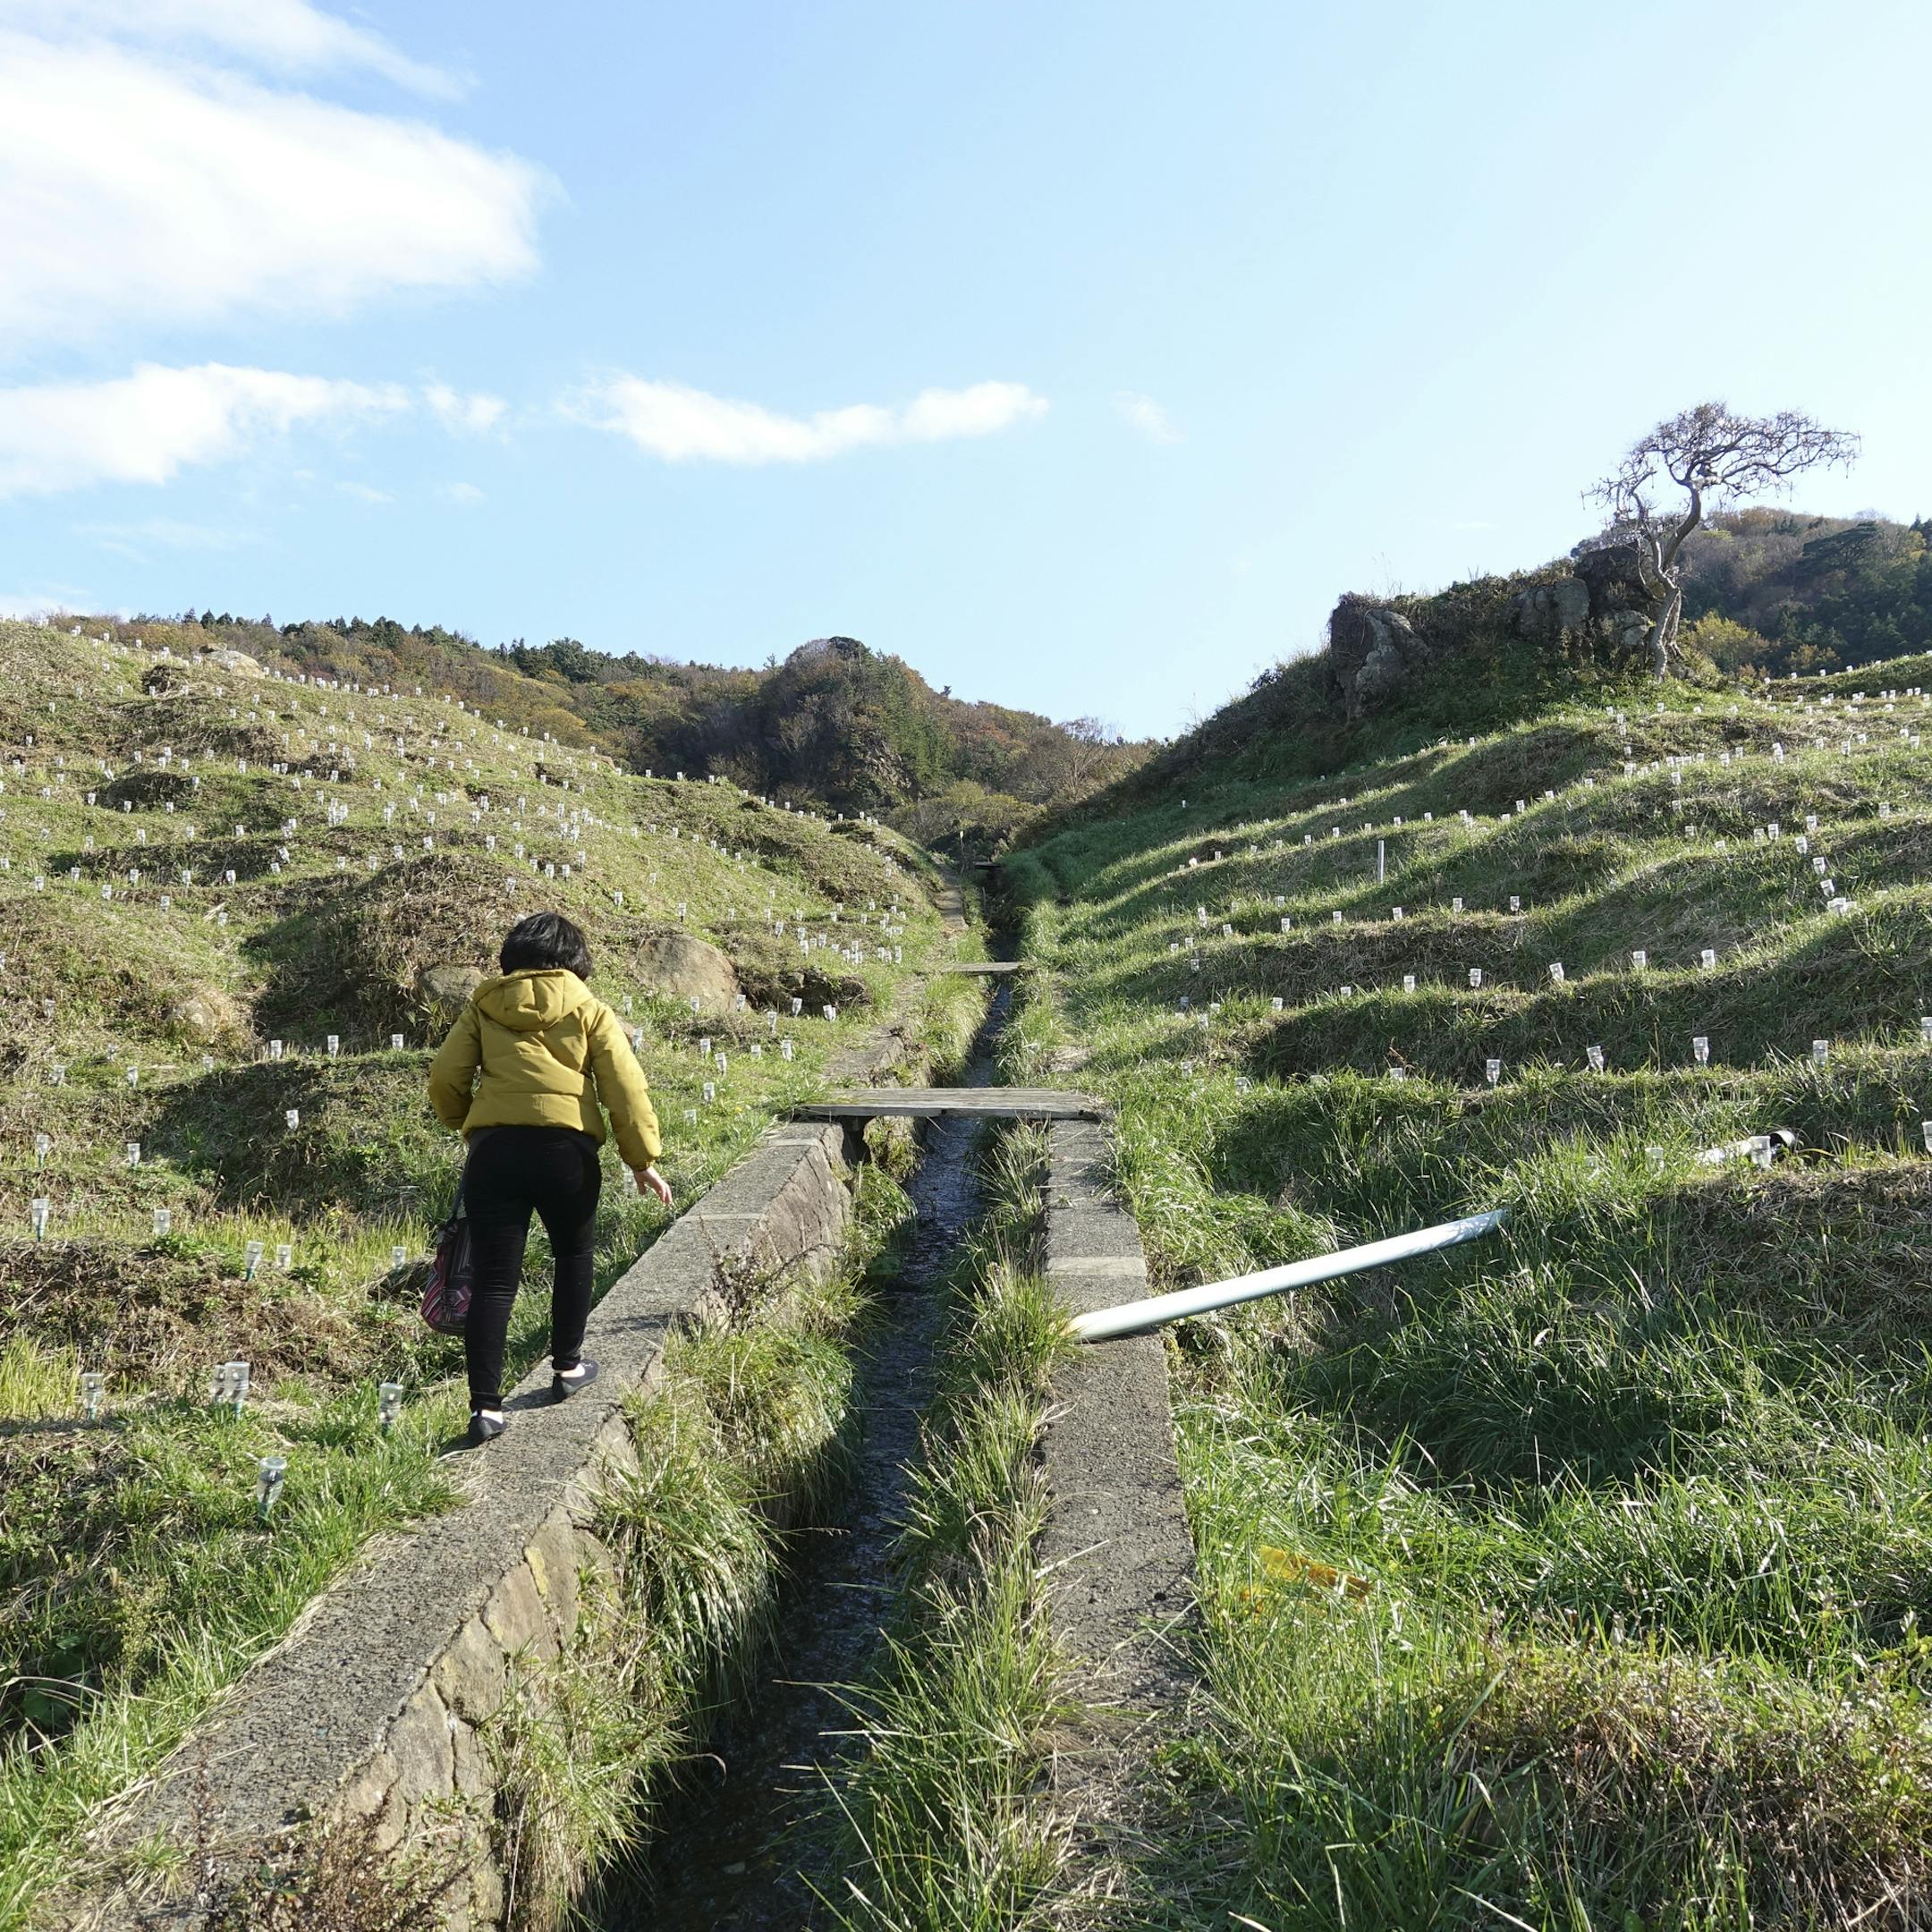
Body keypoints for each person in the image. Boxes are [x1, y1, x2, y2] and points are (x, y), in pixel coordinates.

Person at [428, 911, 674, 1446]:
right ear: (575, 962)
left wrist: (468, 1123)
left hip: (495, 1151)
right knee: (573, 1256)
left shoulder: (483, 1006)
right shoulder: (589, 1008)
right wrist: (642, 1159)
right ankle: (567, 1370)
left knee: (494, 1279)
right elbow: (625, 1090)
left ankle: (486, 1410)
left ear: (512, 957)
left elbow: (446, 1077)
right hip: (568, 1151)